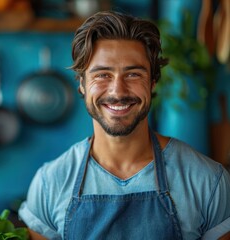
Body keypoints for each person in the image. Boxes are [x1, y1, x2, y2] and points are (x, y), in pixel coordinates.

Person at [18, 11, 230, 240]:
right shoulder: (50, 183)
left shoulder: (207, 180)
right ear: (82, 84)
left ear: (152, 83)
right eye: (102, 75)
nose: (118, 91)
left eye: (133, 75)